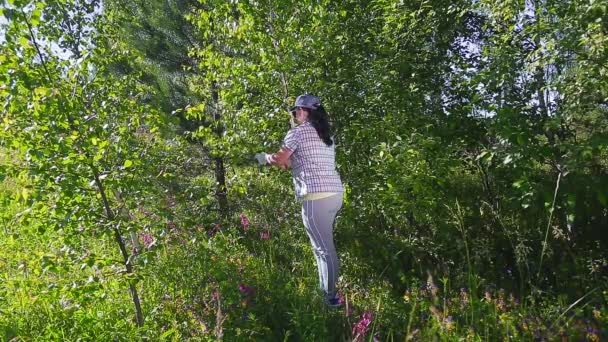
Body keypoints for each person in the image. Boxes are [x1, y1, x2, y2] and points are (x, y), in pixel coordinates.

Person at [255, 94, 345, 307]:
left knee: (324, 249)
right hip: (334, 194)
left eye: (296, 111)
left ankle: (331, 298)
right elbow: (293, 162)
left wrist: (263, 158)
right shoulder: (326, 135)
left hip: (316, 198)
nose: (295, 115)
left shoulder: (298, 132)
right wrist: (286, 162)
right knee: (323, 247)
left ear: (305, 112)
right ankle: (327, 292)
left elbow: (278, 159)